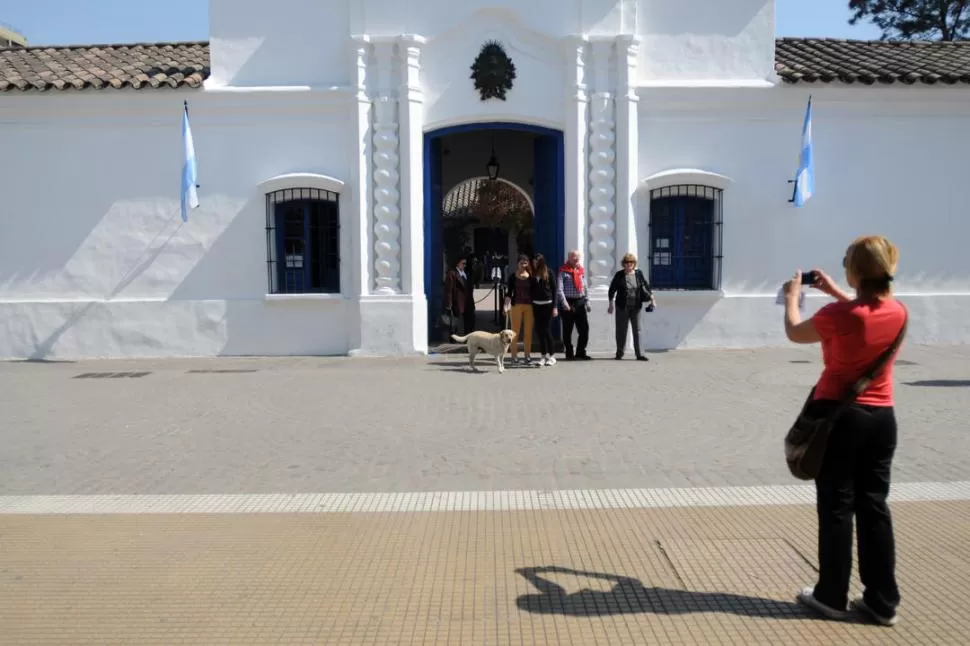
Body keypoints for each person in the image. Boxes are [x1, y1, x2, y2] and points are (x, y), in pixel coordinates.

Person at [781, 235, 907, 627]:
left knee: (837, 506)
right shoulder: (898, 310)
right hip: (882, 419)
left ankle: (831, 595)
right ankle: (882, 600)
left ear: (855, 271)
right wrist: (834, 291)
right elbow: (861, 310)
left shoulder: (841, 317)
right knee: (874, 506)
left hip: (840, 418)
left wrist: (792, 296)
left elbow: (795, 331)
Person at [607, 253, 655, 361]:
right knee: (621, 330)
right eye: (626, 263)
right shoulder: (619, 275)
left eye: (631, 263)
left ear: (634, 264)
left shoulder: (638, 274)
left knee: (638, 330)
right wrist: (610, 304)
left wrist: (652, 299)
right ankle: (619, 353)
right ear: (623, 264)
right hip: (622, 306)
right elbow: (612, 289)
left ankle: (640, 354)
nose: (629, 265)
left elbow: (646, 286)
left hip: (636, 306)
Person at [557, 249, 590, 360]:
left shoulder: (581, 270)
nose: (576, 259)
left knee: (584, 329)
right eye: (573, 257)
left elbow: (585, 288)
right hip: (568, 302)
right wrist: (564, 303)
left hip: (579, 302)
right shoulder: (563, 271)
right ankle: (569, 353)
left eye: (577, 257)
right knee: (568, 330)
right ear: (569, 258)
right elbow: (560, 289)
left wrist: (587, 301)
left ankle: (580, 351)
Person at [504, 255, 535, 365]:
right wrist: (506, 305)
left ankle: (527, 355)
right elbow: (509, 293)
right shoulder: (512, 276)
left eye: (525, 263)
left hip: (529, 306)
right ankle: (514, 356)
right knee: (514, 332)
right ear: (517, 264)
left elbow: (535, 291)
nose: (523, 265)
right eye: (521, 263)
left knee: (528, 332)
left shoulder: (531, 276)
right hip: (516, 305)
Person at [530, 253, 558, 367]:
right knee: (539, 331)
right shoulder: (533, 273)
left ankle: (552, 356)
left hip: (548, 305)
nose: (533, 263)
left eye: (535, 261)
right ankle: (543, 356)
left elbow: (555, 290)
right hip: (536, 305)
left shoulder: (549, 272)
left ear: (540, 261)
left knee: (546, 331)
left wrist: (555, 307)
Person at [443, 256, 475, 337]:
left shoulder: (466, 274)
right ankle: (453, 338)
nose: (464, 265)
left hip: (468, 302)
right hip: (457, 302)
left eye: (465, 264)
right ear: (457, 263)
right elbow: (449, 290)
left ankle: (468, 337)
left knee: (469, 321)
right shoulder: (452, 274)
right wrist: (449, 304)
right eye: (463, 263)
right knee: (455, 322)